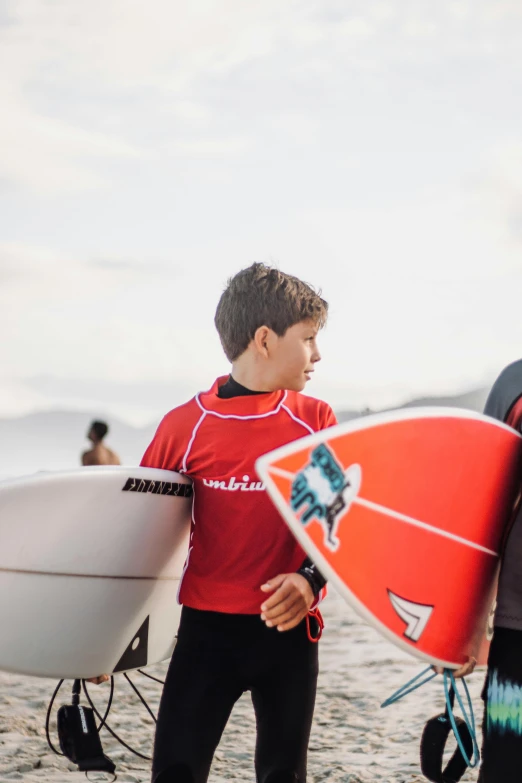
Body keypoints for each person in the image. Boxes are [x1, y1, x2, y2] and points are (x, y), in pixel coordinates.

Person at [140, 262, 337, 783]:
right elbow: (137, 536)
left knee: (282, 774)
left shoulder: (315, 420)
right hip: (207, 632)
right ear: (265, 339)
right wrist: (107, 638)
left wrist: (309, 579)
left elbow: (341, 527)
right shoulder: (186, 425)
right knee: (176, 772)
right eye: (309, 339)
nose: (317, 355)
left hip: (290, 632)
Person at [472, 359, 522, 783]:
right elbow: (482, 505)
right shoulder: (516, 382)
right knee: (505, 764)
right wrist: (456, 629)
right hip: (516, 631)